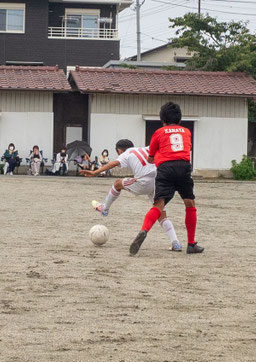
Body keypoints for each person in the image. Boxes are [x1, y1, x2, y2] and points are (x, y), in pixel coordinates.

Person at [128, 102, 204, 256]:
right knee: (189, 203)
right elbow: (186, 149)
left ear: (162, 120)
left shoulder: (159, 132)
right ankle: (191, 244)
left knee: (159, 205)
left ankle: (144, 230)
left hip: (165, 169)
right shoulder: (186, 132)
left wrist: (157, 157)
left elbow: (150, 159)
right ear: (180, 120)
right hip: (183, 167)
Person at [86, 138, 183, 249]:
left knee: (117, 184)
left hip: (144, 182)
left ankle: (105, 209)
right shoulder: (146, 148)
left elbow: (113, 163)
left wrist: (95, 172)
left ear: (119, 150)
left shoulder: (126, 153)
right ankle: (175, 242)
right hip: (159, 182)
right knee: (161, 214)